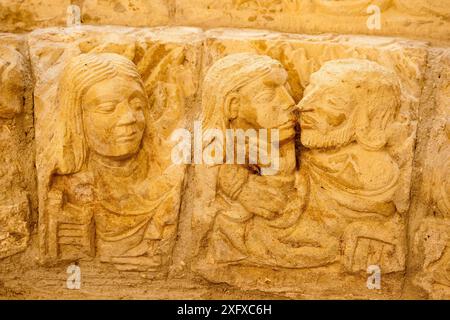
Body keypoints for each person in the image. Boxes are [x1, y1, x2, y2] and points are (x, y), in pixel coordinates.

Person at [41, 53, 183, 271]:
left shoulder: (176, 175)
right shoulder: (67, 187)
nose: (129, 118)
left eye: (137, 105)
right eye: (108, 108)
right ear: (77, 117)